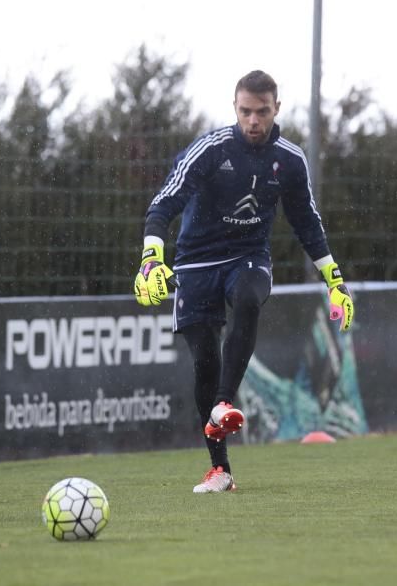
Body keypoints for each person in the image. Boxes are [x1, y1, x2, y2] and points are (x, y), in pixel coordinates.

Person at [134, 70, 354, 493]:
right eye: (246, 111)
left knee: (249, 298)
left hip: (248, 257)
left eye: (263, 112)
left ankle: (224, 402)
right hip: (195, 263)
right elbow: (163, 205)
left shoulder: (290, 160)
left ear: (277, 109)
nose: (254, 121)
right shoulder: (211, 150)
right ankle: (221, 471)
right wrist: (150, 257)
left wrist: (335, 280)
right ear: (235, 108)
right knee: (204, 361)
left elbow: (308, 223)